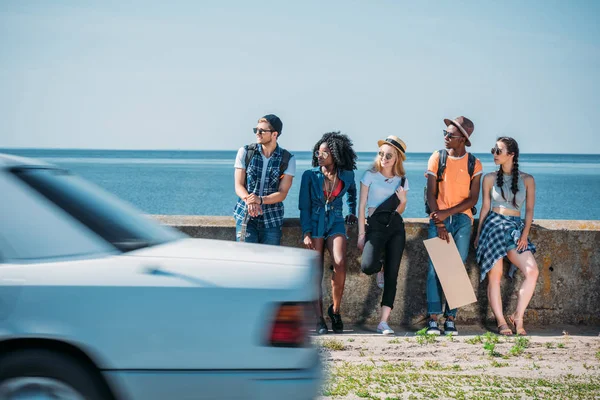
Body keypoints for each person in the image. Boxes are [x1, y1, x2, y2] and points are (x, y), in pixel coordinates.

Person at [425, 116, 483, 336]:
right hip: (438, 218)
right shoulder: (436, 158)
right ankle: (432, 319)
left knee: (456, 269)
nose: (446, 138)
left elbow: (472, 199)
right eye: (445, 133)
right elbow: (430, 194)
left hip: (462, 220)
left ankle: (450, 318)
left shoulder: (474, 163)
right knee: (434, 270)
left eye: (451, 135)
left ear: (463, 140)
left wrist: (447, 214)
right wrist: (439, 221)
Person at [475, 137, 538, 336]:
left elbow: (529, 210)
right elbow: (485, 208)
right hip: (493, 226)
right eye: (493, 149)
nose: (494, 153)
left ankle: (518, 316)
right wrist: (478, 235)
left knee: (532, 271)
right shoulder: (489, 178)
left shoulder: (528, 180)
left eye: (498, 150)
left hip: (514, 229)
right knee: (495, 276)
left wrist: (525, 234)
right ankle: (501, 321)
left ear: (511, 154)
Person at [299, 132, 358, 334]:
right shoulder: (309, 175)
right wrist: (306, 232)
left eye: (325, 152)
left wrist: (351, 211)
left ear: (336, 154)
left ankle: (335, 310)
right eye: (318, 152)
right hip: (315, 223)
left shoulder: (347, 175)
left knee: (340, 262)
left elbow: (352, 192)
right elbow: (303, 207)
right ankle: (318, 319)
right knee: (316, 272)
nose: (320, 155)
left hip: (336, 222)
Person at [358, 135, 409, 335]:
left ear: (397, 158)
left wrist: (403, 200)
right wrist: (362, 234)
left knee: (392, 275)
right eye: (381, 154)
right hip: (375, 226)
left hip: (395, 227)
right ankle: (379, 267)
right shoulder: (369, 175)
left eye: (388, 155)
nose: (384, 158)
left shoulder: (402, 180)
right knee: (367, 266)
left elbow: (401, 210)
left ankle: (383, 322)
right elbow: (361, 205)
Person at [233, 114, 295, 245]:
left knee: (269, 262)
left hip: (271, 220)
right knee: (245, 260)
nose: (258, 133)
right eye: (256, 130)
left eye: (262, 131)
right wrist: (250, 201)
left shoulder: (287, 159)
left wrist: (260, 200)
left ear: (274, 134)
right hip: (246, 216)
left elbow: (282, 193)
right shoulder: (245, 152)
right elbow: (238, 186)